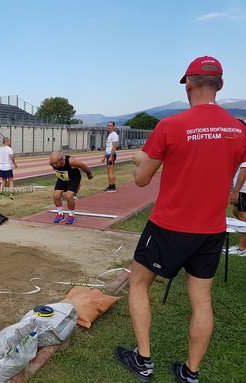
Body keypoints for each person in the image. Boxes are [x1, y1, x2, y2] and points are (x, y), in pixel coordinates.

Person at [114, 56, 246, 383]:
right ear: (221, 85)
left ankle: (143, 360)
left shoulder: (170, 126)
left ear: (188, 83)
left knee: (139, 285)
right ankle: (190, 373)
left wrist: (140, 158)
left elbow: (142, 179)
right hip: (212, 231)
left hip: (168, 227)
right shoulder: (238, 129)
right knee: (202, 302)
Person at [48, 151, 93, 225]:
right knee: (56, 195)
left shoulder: (71, 161)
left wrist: (89, 174)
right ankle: (60, 214)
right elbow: (57, 169)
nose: (54, 165)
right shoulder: (51, 163)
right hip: (62, 178)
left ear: (61, 160)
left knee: (69, 196)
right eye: (53, 163)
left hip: (74, 178)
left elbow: (83, 166)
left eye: (56, 163)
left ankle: (71, 215)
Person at [226, 120, 246, 256]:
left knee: (244, 218)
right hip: (242, 188)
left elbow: (244, 170)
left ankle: (242, 248)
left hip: (244, 189)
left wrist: (236, 190)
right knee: (236, 212)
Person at [102, 121, 119, 192]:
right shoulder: (109, 135)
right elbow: (107, 147)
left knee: (111, 171)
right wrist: (104, 156)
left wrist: (110, 156)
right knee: (109, 171)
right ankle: (111, 185)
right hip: (108, 154)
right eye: (108, 125)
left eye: (110, 126)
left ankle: (112, 187)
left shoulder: (114, 135)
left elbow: (114, 146)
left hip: (111, 155)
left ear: (113, 127)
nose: (109, 127)